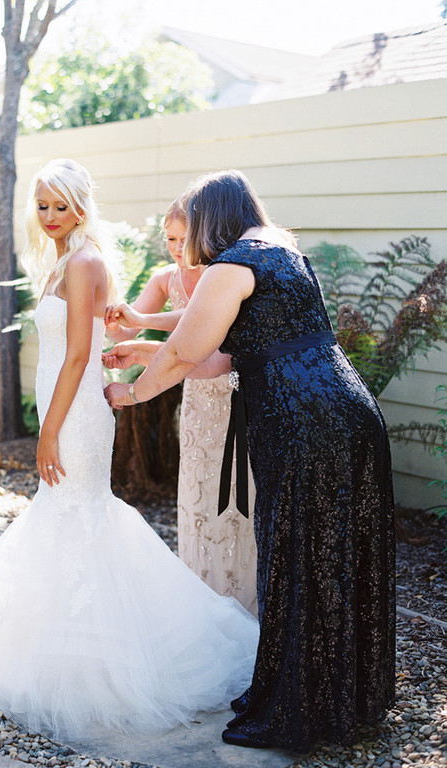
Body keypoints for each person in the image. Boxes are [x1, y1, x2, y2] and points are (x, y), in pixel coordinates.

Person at [0, 159, 259, 741]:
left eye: (62, 205)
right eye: (43, 205)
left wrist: (48, 431)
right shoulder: (64, 262)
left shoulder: (84, 262)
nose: (51, 216)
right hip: (65, 407)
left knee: (77, 514)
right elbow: (101, 334)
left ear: (82, 206)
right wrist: (132, 333)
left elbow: (79, 356)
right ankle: (57, 649)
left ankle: (98, 665)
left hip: (77, 416)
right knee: (69, 518)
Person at [104, 169, 395, 754]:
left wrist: (132, 394)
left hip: (302, 420)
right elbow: (224, 356)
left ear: (210, 220)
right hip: (348, 410)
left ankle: (303, 710)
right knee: (338, 550)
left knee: (297, 553)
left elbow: (190, 352)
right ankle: (348, 699)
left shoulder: (230, 264)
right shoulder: (285, 252)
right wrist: (147, 351)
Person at [104, 199, 257, 616]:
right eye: (169, 238)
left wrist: (139, 333)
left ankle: (242, 596)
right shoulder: (165, 278)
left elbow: (192, 326)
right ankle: (201, 594)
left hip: (236, 396)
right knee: (197, 494)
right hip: (196, 402)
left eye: (183, 238)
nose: (175, 247)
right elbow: (129, 320)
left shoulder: (223, 275)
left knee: (240, 495)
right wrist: (109, 309)